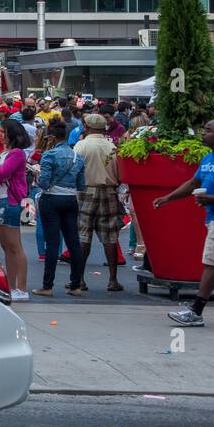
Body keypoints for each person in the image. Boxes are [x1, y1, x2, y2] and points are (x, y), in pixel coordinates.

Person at [154, 119, 214, 327]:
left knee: (211, 263)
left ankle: (196, 311)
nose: (203, 134)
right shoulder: (207, 158)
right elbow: (193, 183)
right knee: (213, 262)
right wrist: (168, 197)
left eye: (208, 131)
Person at [32, 119, 86, 298]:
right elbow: (81, 184)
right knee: (73, 242)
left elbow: (44, 182)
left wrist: (37, 173)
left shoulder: (50, 155)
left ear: (53, 137)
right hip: (70, 199)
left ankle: (47, 286)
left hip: (51, 199)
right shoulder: (77, 156)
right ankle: (76, 285)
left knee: (52, 243)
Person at [74, 112, 123, 292]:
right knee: (110, 236)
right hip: (109, 191)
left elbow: (75, 170)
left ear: (87, 127)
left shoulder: (81, 145)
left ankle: (79, 279)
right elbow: (120, 174)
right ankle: (113, 279)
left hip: (86, 191)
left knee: (83, 235)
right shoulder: (112, 146)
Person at [0, 117, 32, 301]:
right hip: (0, 200)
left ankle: (21, 288)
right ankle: (12, 286)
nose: (1, 135)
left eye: (4, 132)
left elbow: (0, 173)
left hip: (10, 201)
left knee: (14, 246)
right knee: (7, 246)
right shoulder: (7, 153)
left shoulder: (16, 153)